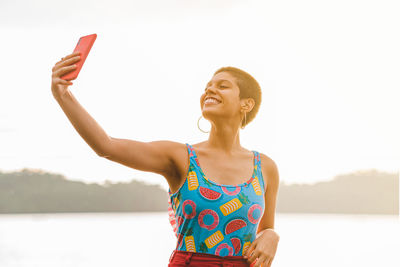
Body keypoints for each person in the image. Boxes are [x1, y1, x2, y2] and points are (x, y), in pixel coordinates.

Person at [51, 51, 280, 267]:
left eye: (222, 86)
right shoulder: (181, 157)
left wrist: (272, 234)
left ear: (246, 104)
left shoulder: (265, 167)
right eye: (207, 87)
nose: (209, 91)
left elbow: (264, 232)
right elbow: (106, 146)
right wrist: (63, 94)